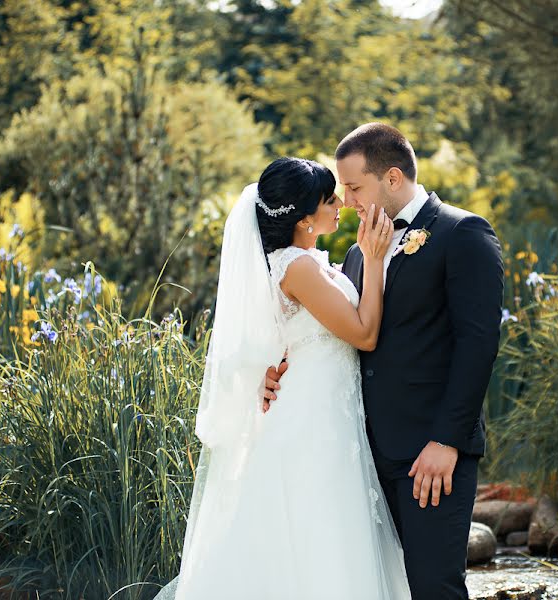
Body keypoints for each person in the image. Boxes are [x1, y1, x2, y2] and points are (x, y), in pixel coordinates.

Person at [265, 123, 505, 599]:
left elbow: (478, 345)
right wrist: (278, 373)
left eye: (354, 187)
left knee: (435, 587)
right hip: (358, 455)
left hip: (428, 456)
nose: (347, 200)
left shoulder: (462, 233)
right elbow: (342, 337)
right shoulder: (358, 254)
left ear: (392, 178)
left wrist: (447, 441)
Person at [155, 157, 411, 600]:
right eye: (328, 199)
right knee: (317, 539)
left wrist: (267, 371)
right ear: (303, 219)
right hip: (312, 428)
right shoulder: (297, 268)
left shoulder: (305, 261)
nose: (339, 205)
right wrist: (372, 259)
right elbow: (365, 334)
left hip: (325, 416)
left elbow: (272, 337)